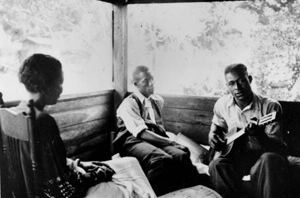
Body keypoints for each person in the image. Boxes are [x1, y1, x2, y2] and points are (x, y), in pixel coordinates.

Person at [17, 53, 157, 198]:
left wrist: (81, 165)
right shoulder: (43, 121)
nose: (61, 89)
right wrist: (98, 175)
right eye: (59, 83)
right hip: (66, 193)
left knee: (130, 161)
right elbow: (66, 186)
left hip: (51, 185)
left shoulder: (19, 114)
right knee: (131, 187)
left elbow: (49, 165)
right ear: (45, 85)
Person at [113, 65, 209, 196]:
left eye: (152, 79)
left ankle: (189, 188)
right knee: (161, 160)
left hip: (150, 140)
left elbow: (157, 128)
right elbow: (142, 133)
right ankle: (151, 194)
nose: (151, 84)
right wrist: (169, 141)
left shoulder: (156, 101)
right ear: (136, 84)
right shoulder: (129, 104)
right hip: (132, 141)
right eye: (146, 81)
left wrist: (170, 142)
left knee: (182, 154)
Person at [208, 63, 289, 198]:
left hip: (263, 156)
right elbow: (215, 127)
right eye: (231, 84)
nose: (237, 88)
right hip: (238, 156)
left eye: (241, 81)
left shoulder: (270, 106)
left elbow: (277, 148)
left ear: (249, 79)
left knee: (269, 159)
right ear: (227, 85)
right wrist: (212, 136)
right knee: (216, 165)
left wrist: (259, 135)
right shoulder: (222, 104)